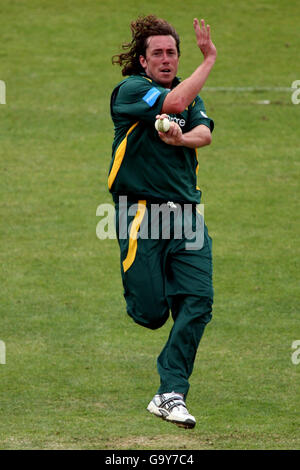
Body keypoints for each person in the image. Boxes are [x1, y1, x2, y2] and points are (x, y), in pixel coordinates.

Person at [108, 15, 217, 429]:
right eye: (158, 53)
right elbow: (170, 105)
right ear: (143, 60)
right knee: (152, 314)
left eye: (172, 52)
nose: (167, 59)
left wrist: (180, 139)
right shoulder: (132, 91)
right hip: (141, 214)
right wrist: (208, 60)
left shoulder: (189, 96)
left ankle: (170, 392)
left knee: (199, 301)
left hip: (188, 216)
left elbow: (203, 133)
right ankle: (163, 284)